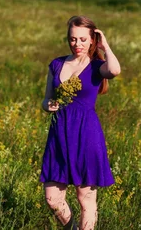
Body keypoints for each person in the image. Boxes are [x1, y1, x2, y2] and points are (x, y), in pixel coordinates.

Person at [40, 15, 121, 230]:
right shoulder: (56, 64)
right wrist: (49, 105)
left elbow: (114, 71)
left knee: (85, 198)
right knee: (52, 198)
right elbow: (46, 99)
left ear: (92, 40)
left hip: (86, 134)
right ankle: (73, 228)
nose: (78, 44)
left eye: (83, 39)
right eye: (73, 39)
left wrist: (106, 46)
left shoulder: (97, 66)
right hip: (59, 134)